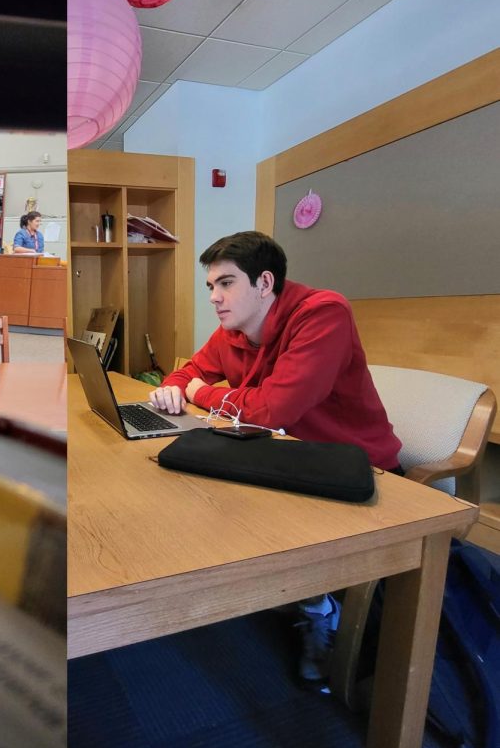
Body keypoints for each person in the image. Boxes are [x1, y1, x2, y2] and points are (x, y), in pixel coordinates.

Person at [149, 231, 402, 689]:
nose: (215, 298)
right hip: (283, 455)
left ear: (264, 283)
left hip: (356, 467)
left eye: (225, 284)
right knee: (185, 487)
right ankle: (284, 590)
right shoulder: (234, 329)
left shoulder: (323, 313)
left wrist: (202, 394)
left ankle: (320, 609)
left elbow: (273, 410)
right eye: (210, 287)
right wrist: (175, 386)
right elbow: (188, 371)